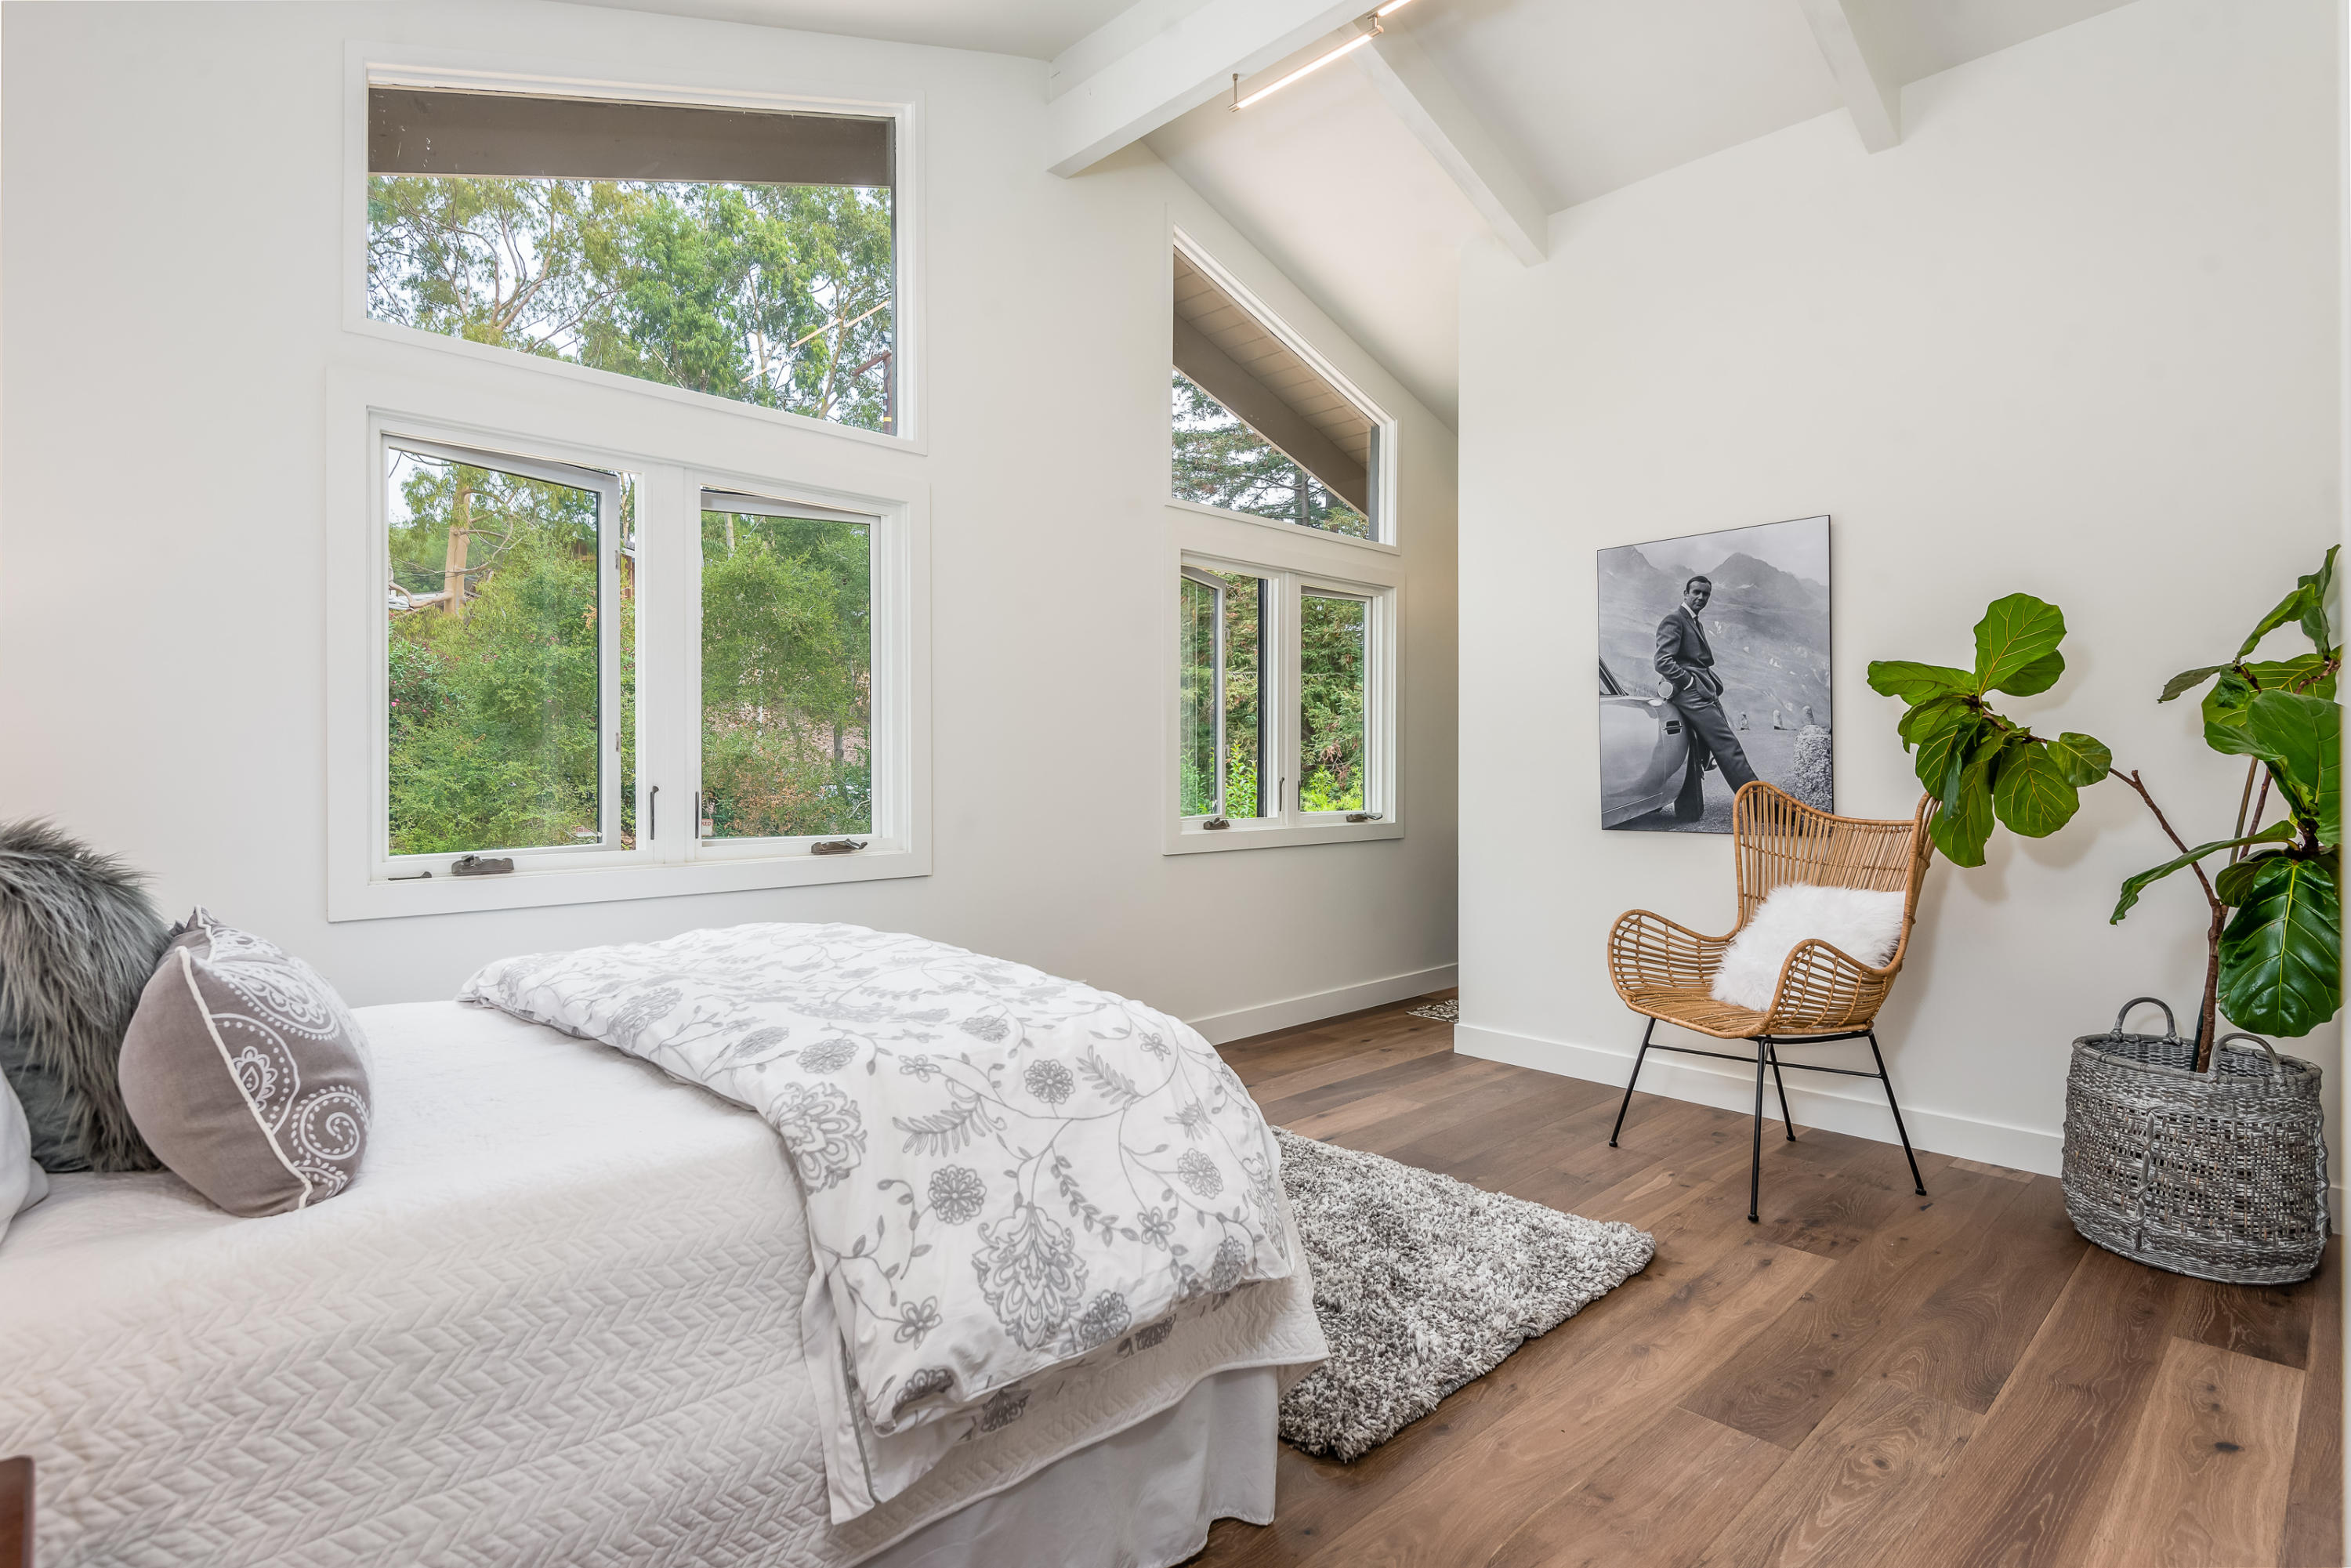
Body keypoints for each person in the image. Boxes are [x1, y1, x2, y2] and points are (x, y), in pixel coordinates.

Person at [1654, 574, 1758, 820]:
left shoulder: (1693, 621)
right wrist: (1689, 683)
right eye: (1696, 592)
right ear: (1685, 594)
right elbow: (1662, 661)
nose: (1701, 597)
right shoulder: (1675, 619)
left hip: (1702, 689)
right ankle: (1761, 806)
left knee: (1702, 747)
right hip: (1690, 693)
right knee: (1727, 746)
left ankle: (1690, 810)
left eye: (1706, 594)